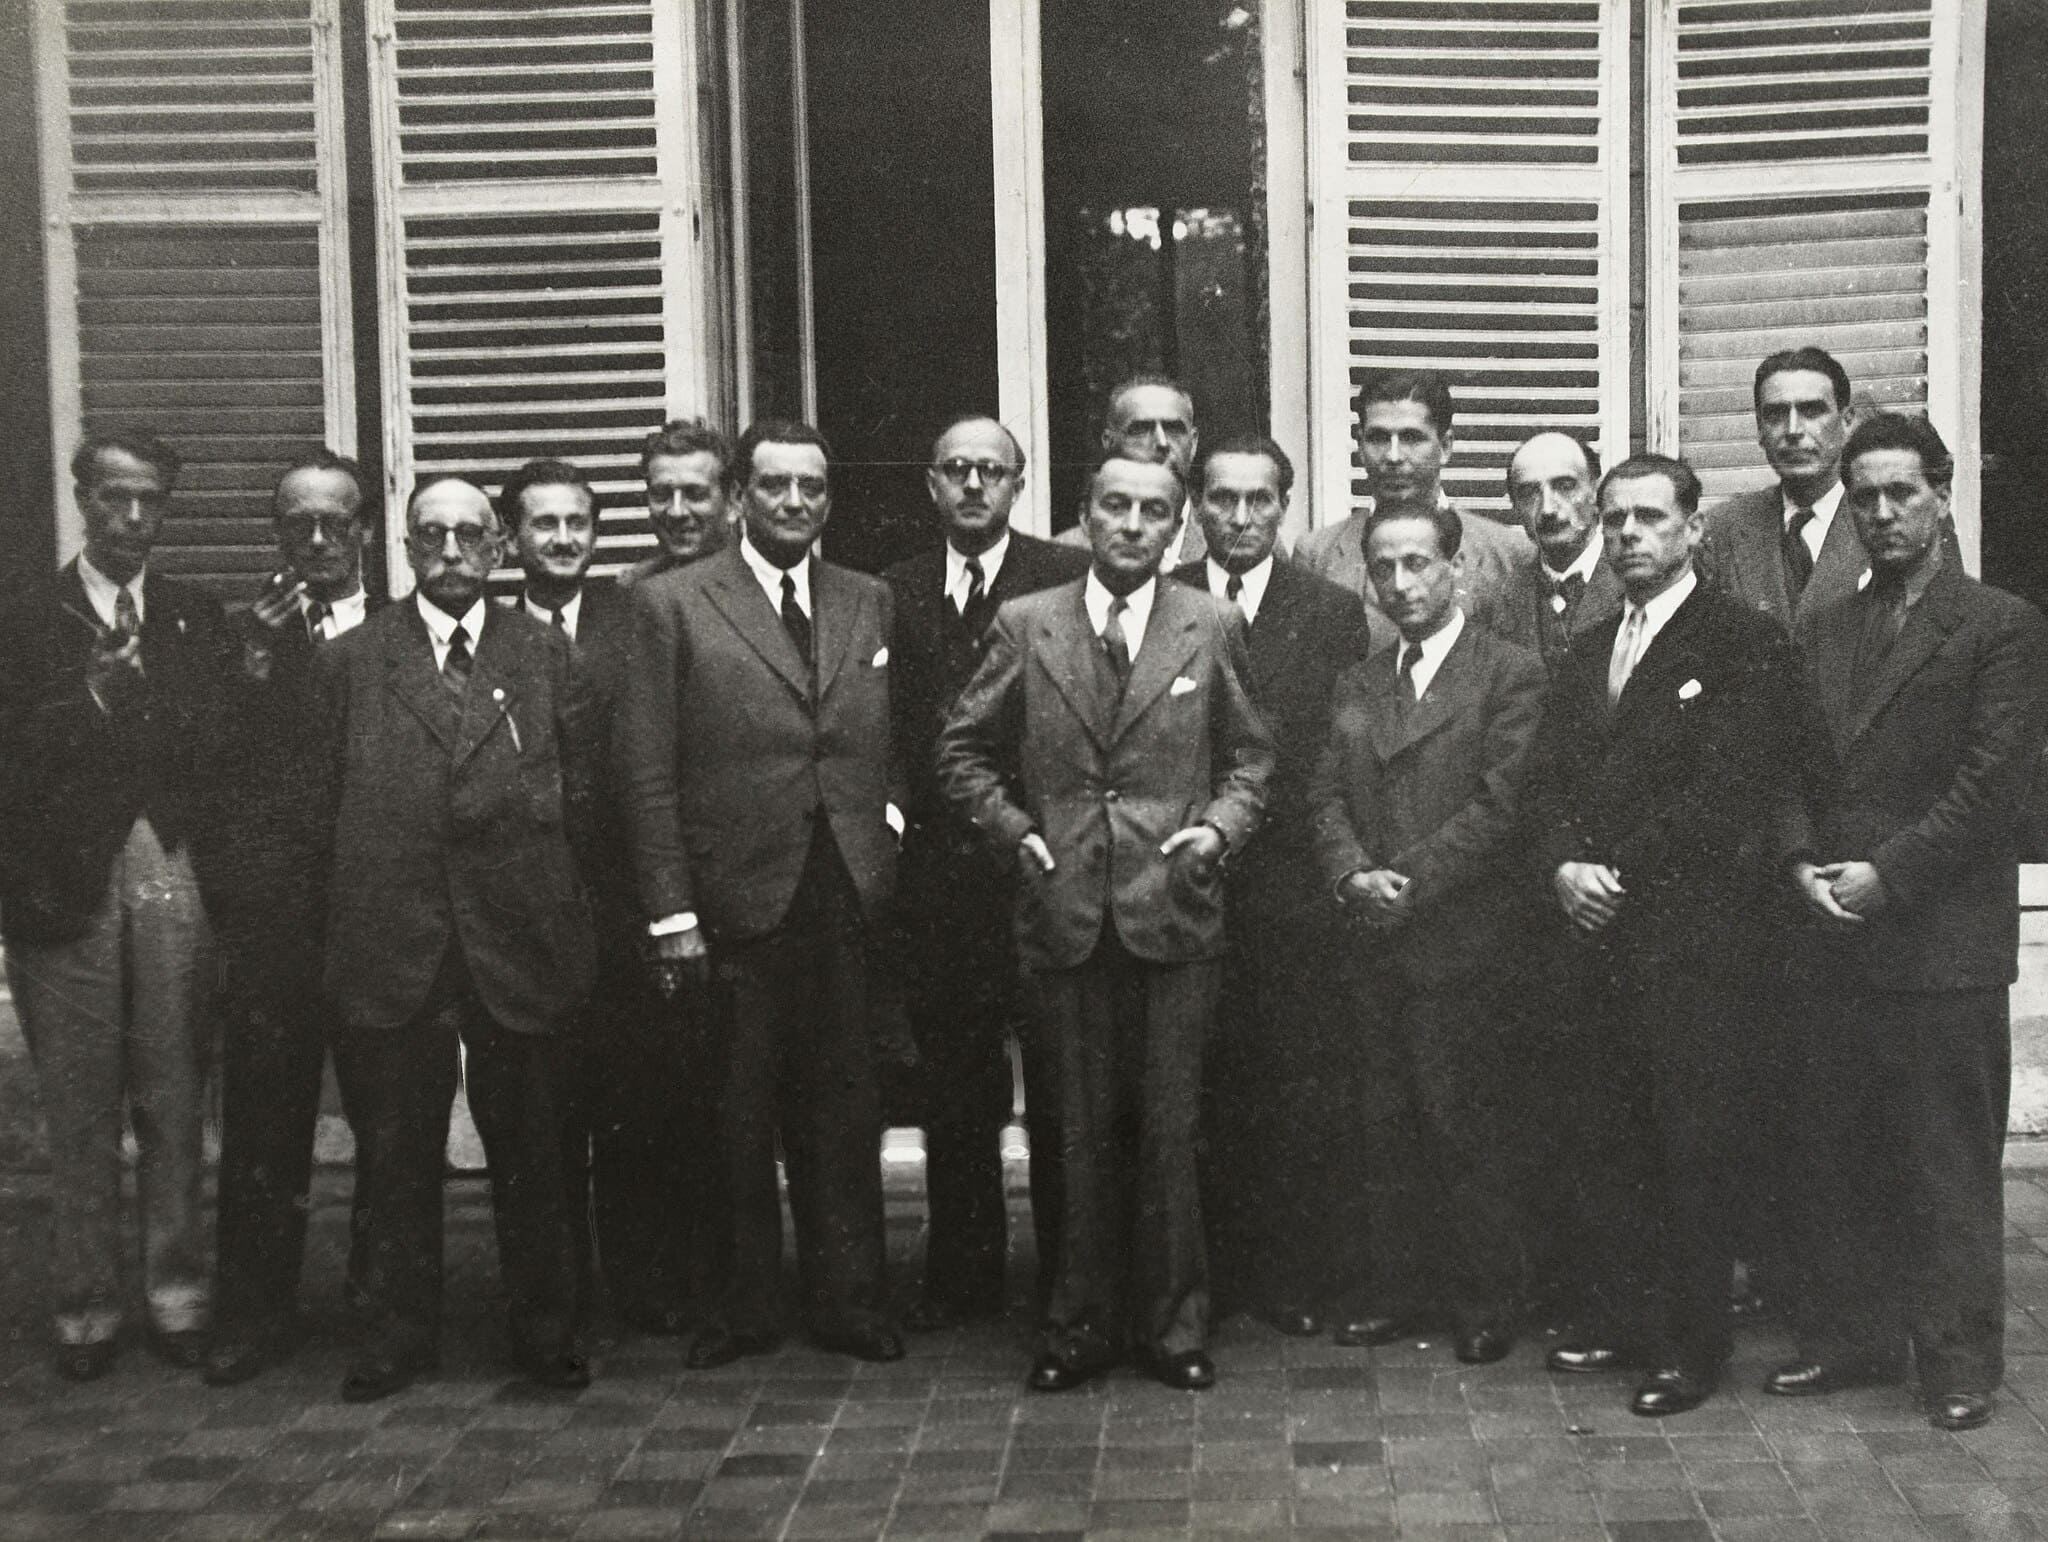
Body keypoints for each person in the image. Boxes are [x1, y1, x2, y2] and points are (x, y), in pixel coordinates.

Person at [937, 448, 1274, 1393]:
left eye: (1154, 511)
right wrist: (1014, 832)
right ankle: (1077, 1324)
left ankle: (1175, 1327)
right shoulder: (1027, 622)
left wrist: (1218, 830)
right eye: (1114, 506)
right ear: (1083, 515)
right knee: (1072, 1132)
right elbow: (960, 748)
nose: (1132, 524)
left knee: (1169, 1134)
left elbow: (1253, 758)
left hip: (1175, 913)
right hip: (1064, 908)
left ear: (1180, 529)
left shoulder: (1211, 624)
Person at [1771, 413, 2048, 1432]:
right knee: (1839, 1150)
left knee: (1942, 1160)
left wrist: (1881, 876)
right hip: (1832, 931)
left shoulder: (1997, 626)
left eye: (1901, 493)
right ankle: (1847, 1342)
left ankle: (1957, 1362)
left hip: (1935, 940)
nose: (1881, 514)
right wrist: (1800, 860)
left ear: (1939, 498)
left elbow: (1990, 789)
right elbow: (1791, 766)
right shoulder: (1823, 628)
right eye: (1864, 496)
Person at [1524, 453, 1808, 1417]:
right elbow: (1548, 782)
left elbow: (1729, 790)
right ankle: (1628, 1317)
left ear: (1694, 530)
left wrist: (1618, 872)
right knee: (1610, 1131)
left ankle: (1692, 1347)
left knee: (1692, 1142)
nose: (1629, 536)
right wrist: (1564, 864)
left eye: (1651, 518)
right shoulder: (1588, 647)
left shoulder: (1745, 641)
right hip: (1595, 936)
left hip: (1692, 938)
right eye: (1616, 522)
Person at [618, 419, 905, 1369]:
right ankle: (744, 1304)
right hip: (733, 897)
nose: (794, 504)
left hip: (845, 893)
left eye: (812, 489)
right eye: (775, 486)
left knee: (845, 1110)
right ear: (740, 496)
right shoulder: (672, 605)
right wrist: (672, 913)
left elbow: (887, 740)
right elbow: (647, 773)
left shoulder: (868, 601)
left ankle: (849, 1301)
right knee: (735, 1114)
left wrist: (889, 824)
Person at [316, 474, 597, 1400]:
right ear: (402, 548)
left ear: (499, 549)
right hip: (398, 944)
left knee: (536, 1151)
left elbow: (588, 800)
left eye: (469, 536)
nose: (449, 553)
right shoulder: (356, 662)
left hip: (518, 940)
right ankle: (397, 1335)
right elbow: (318, 814)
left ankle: (545, 1333)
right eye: (430, 536)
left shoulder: (544, 654)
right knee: (397, 1156)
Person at [0, 430, 230, 1380]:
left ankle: (179, 1297)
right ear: (82, 498)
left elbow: (218, 750)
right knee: (82, 1105)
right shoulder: (22, 618)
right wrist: (90, 700)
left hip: (167, 866)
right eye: (114, 499)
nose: (132, 519)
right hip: (66, 880)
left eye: (150, 502)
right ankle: (87, 1308)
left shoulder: (192, 617)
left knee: (175, 1092)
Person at [1306, 500, 1546, 1364]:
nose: (1401, 583)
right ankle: (1398, 1291)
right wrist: (1349, 874)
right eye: (1384, 567)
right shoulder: (1357, 682)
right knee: (1386, 1121)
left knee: (1466, 1122)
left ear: (1457, 569)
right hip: (1373, 935)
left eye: (1418, 564)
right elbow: (1324, 794)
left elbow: (1502, 804)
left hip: (1463, 937)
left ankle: (1487, 1298)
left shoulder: (1508, 673)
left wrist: (1406, 882)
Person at [500, 457, 728, 1337]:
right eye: (543, 524)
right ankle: (554, 1299)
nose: (561, 540)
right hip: (522, 909)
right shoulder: (484, 629)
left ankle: (641, 1284)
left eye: (577, 525)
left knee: (636, 1103)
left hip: (621, 905)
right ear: (510, 537)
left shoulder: (637, 617)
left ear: (597, 535)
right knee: (541, 1113)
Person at [883, 414, 1088, 1328]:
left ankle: (1063, 1272)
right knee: (955, 1082)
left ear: (1018, 484)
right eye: (957, 470)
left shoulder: (1062, 578)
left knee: (1055, 1080)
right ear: (932, 484)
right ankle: (963, 1269)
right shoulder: (892, 589)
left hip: (1041, 864)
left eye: (991, 472)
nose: (974, 486)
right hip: (938, 878)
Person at [1168, 433, 1367, 1339]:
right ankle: (1207, 1274)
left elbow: (1330, 753)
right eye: (1221, 500)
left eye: (1259, 500)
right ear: (1196, 506)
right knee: (1196, 1086)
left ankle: (1289, 1274)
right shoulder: (1163, 601)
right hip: (1178, 876)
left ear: (1285, 507)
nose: (1239, 518)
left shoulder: (1329, 612)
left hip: (1285, 882)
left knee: (1290, 1083)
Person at [204, 449, 381, 1385]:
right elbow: (215, 779)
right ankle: (253, 1316)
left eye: (334, 523)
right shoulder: (240, 638)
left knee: (388, 1121)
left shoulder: (401, 632)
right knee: (266, 1124)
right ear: (276, 535)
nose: (317, 540)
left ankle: (379, 1306)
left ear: (363, 531)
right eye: (297, 525)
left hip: (375, 916)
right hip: (276, 922)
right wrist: (258, 662)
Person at [1702, 346, 1958, 627]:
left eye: (1812, 411)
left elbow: (1941, 631)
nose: (1793, 430)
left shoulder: (1896, 518)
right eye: (1775, 414)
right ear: (1760, 430)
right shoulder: (1723, 528)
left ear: (1847, 422)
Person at [1294, 370, 1532, 653]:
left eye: (1411, 438)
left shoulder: (1509, 554)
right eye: (1378, 438)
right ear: (1359, 445)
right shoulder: (1318, 554)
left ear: (1445, 447)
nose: (1393, 456)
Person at [1493, 432, 1624, 675]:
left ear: (1597, 492)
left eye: (1565, 487)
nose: (1548, 509)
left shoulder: (1634, 583)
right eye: (1530, 493)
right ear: (1514, 506)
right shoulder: (1501, 600)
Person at [1056, 375, 1208, 568]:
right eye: (1140, 430)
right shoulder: (1064, 553)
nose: (1161, 443)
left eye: (1173, 430)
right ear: (1109, 443)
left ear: (1193, 443)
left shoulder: (1226, 545)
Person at [619, 418, 732, 586]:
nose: (676, 512)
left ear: (732, 503)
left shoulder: (760, 581)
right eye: (662, 495)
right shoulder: (635, 586)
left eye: (695, 494)